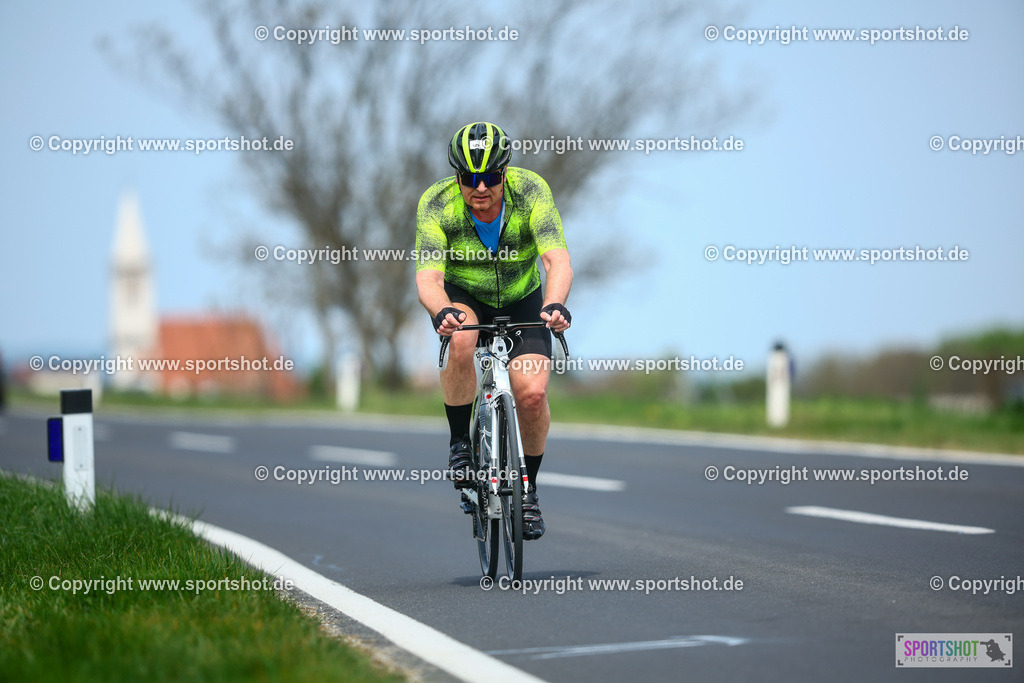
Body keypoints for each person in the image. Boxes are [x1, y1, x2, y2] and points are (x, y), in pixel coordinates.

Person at [415, 121, 572, 540]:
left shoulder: (532, 191)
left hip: (523, 295)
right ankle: (459, 445)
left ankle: (528, 490)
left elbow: (557, 260)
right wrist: (441, 310)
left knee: (533, 394)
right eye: (469, 178)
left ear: (506, 172)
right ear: (456, 176)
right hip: (464, 292)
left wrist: (555, 303)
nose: (480, 188)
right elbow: (428, 278)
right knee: (462, 336)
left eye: (491, 178)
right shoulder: (436, 203)